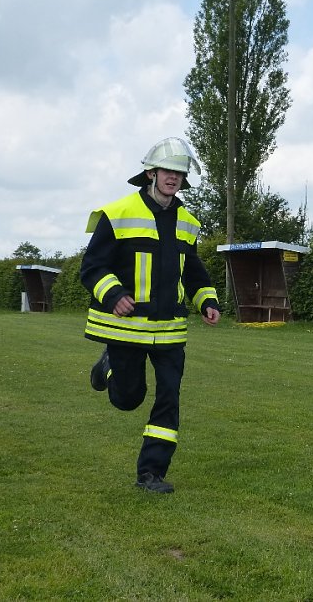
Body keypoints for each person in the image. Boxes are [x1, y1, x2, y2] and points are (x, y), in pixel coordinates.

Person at [80, 136, 220, 494]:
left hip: (170, 332)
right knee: (128, 399)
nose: (173, 177)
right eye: (168, 170)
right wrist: (113, 295)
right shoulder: (118, 214)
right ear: (151, 173)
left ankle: (151, 473)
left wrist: (207, 301)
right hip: (126, 328)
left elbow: (193, 271)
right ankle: (108, 364)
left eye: (179, 172)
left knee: (169, 397)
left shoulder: (188, 222)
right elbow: (92, 266)